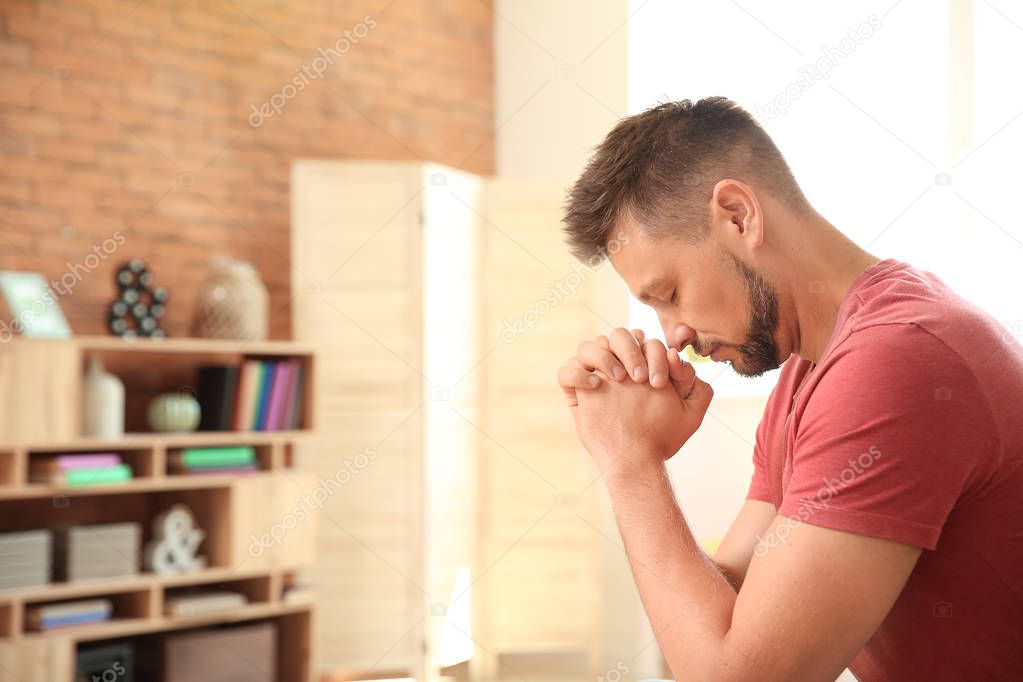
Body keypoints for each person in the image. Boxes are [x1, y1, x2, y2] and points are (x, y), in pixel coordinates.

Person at [556, 97, 1023, 681]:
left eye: (669, 293)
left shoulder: (898, 360)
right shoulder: (812, 367)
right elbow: (731, 606)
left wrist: (629, 464)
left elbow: (738, 676)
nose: (671, 337)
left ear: (738, 216)